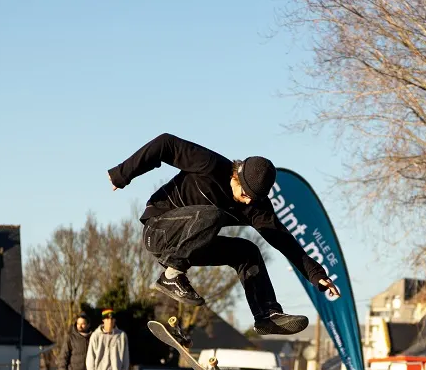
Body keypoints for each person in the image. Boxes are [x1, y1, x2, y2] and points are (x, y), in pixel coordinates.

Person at [106, 132, 341, 336]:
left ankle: (267, 314)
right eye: (245, 193)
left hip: (192, 244)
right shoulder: (210, 165)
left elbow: (282, 239)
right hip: (159, 229)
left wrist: (315, 272)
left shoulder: (255, 207)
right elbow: (165, 144)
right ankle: (171, 275)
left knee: (247, 251)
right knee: (213, 215)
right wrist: (123, 174)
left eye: (254, 199)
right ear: (236, 176)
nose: (247, 200)